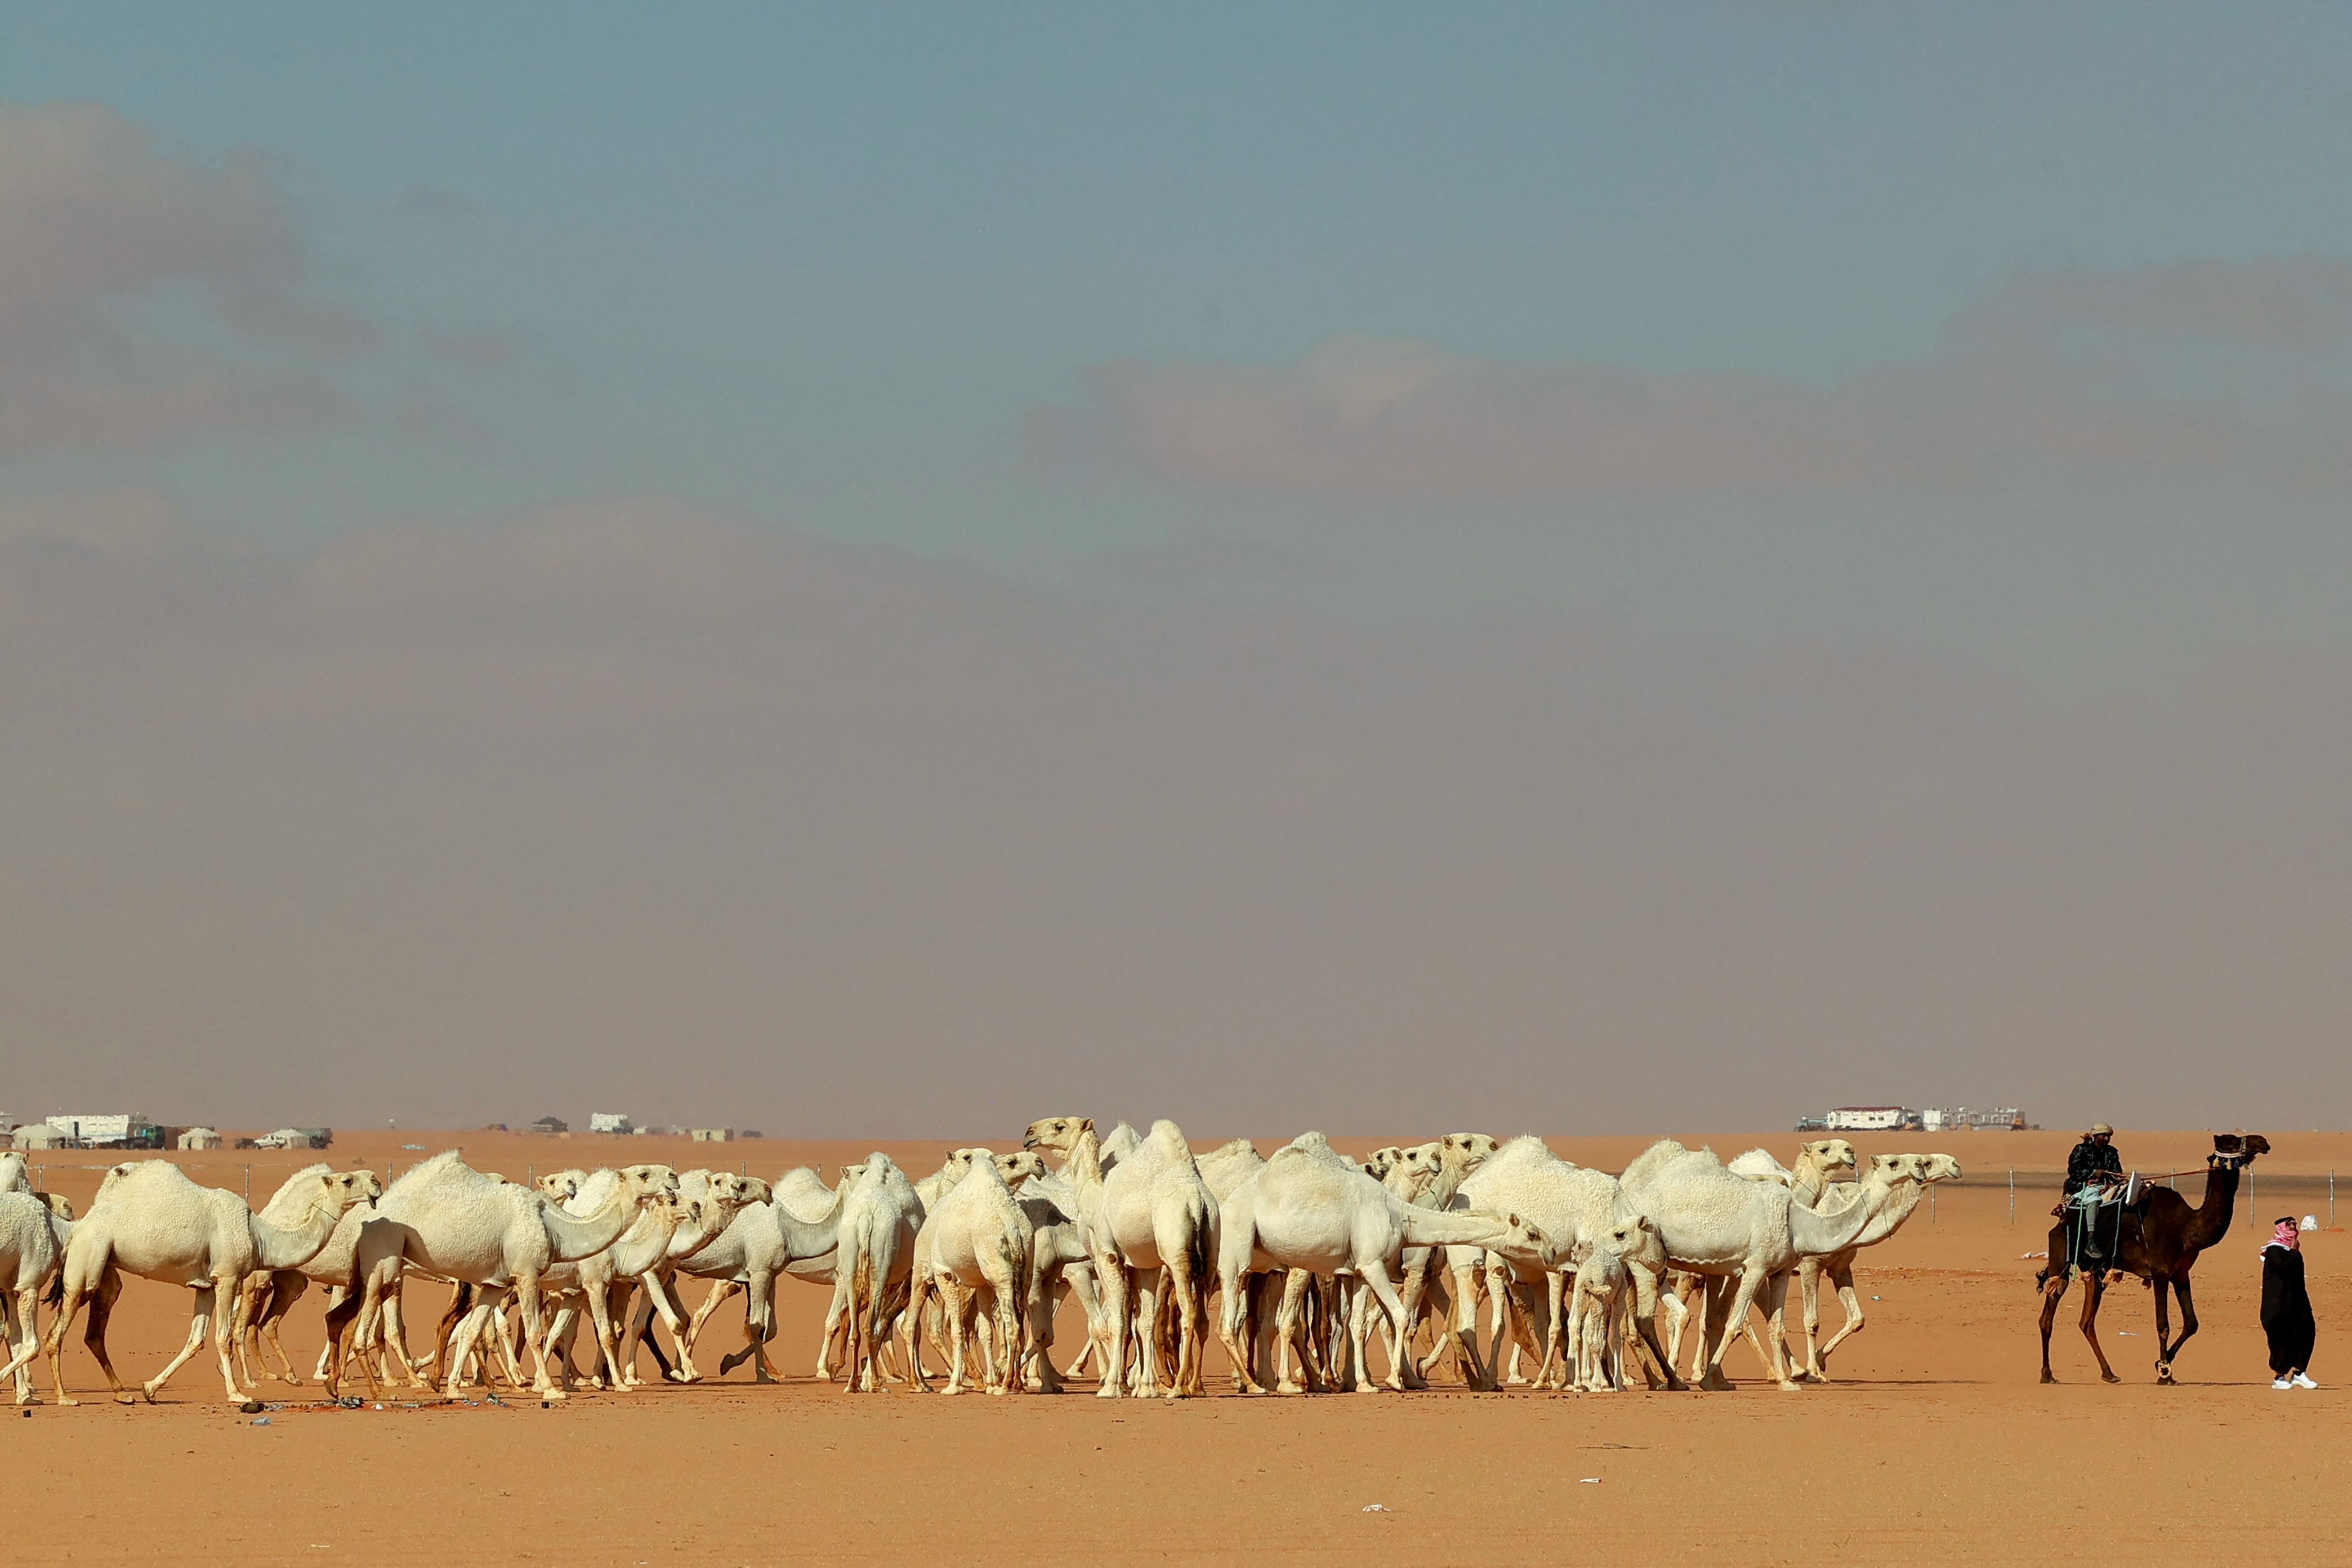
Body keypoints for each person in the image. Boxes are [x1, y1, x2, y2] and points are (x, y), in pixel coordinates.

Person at [2261, 1216, 2317, 1390]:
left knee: (2307, 1332)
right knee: (2280, 1340)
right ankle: (2279, 1377)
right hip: (2277, 1305)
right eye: (2289, 1225)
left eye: (2294, 1224)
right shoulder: (2273, 1250)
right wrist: (2293, 1252)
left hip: (2297, 1303)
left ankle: (2299, 1373)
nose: (2293, 1227)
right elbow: (2283, 1268)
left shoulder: (2294, 1250)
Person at [2060, 1123, 2126, 1264]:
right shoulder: (2081, 1150)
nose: (2107, 1139)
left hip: (2105, 1186)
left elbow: (2116, 1171)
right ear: (2096, 1136)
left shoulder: (2112, 1152)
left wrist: (2119, 1177)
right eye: (2104, 1136)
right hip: (2082, 1186)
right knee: (2094, 1200)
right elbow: (2074, 1170)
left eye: (2109, 1136)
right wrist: (2093, 1173)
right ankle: (2091, 1240)